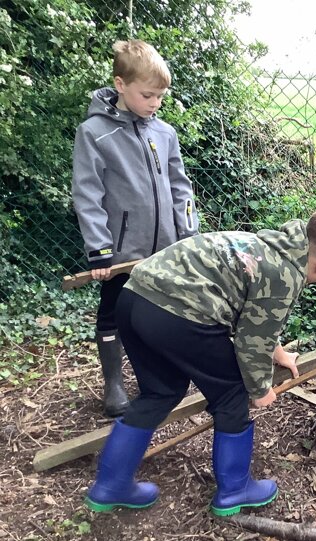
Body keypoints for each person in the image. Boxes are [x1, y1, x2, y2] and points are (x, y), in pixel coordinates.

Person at [84, 207, 316, 516]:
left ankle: (110, 486)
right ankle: (235, 489)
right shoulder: (286, 274)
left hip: (134, 299)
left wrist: (279, 352)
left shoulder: (269, 245)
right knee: (232, 392)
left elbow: (255, 316)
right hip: (181, 315)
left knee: (160, 391)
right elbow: (249, 344)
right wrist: (259, 389)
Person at [72, 39, 198, 418]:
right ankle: (113, 383)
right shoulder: (95, 133)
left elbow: (181, 187)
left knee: (162, 310)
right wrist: (99, 248)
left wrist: (187, 234)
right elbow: (87, 193)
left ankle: (158, 377)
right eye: (148, 95)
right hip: (122, 252)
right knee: (113, 310)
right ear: (120, 84)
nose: (155, 103)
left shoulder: (165, 133)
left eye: (160, 97)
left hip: (166, 249)